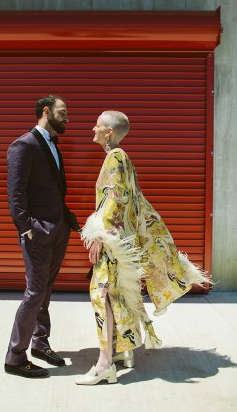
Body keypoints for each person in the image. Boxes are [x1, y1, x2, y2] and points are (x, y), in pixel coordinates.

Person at [75, 110, 212, 386]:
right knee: (117, 296)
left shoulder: (115, 157)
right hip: (121, 243)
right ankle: (122, 352)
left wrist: (100, 235)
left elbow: (116, 198)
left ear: (109, 132)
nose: (93, 128)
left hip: (113, 245)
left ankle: (104, 364)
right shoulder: (122, 158)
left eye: (98, 126)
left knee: (101, 296)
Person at [5, 95, 80, 378]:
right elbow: (16, 194)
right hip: (37, 232)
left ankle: (40, 343)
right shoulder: (23, 145)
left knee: (45, 291)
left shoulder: (52, 143)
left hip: (57, 229)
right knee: (34, 293)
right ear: (46, 111)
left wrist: (65, 220)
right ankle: (14, 357)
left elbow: (54, 189)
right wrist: (27, 229)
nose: (67, 117)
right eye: (63, 112)